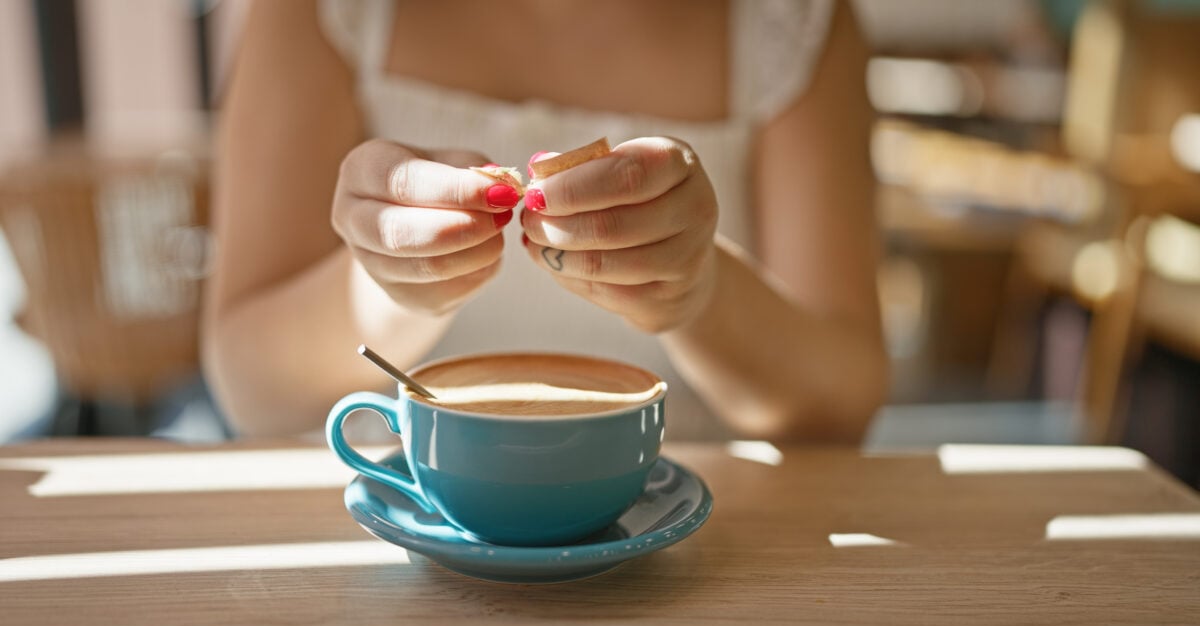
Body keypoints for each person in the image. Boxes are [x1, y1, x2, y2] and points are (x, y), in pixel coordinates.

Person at [202, 0, 889, 442]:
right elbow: (247, 385)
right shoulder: (315, 13)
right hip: (393, 563)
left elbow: (842, 401)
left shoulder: (793, 22)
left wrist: (699, 292)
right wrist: (386, 287)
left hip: (701, 567)